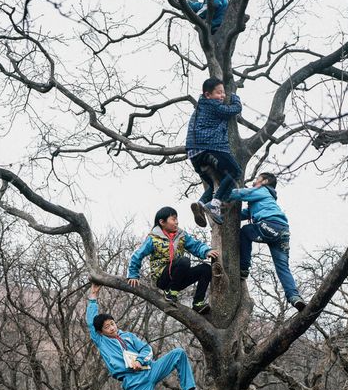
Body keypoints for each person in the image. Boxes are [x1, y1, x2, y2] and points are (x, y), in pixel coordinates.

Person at [229, 172, 307, 312]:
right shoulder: (265, 198)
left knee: (246, 231)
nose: (254, 182)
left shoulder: (261, 190)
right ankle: (294, 297)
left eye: (257, 179)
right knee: (282, 267)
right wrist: (224, 213)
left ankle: (244, 268)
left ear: (264, 181)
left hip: (271, 226)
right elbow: (241, 214)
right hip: (282, 231)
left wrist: (220, 194)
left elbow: (239, 193)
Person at [128, 206, 219, 314]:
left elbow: (196, 246)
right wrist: (133, 274)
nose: (177, 222)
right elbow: (138, 255)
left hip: (178, 277)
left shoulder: (181, 236)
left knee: (206, 269)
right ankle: (170, 293)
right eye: (173, 219)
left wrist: (206, 251)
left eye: (177, 219)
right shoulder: (153, 239)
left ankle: (197, 303)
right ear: (162, 222)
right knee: (184, 261)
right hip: (163, 278)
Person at [186, 78, 243, 226]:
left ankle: (200, 204)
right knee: (234, 172)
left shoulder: (200, 108)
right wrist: (235, 99)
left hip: (194, 153)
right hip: (209, 147)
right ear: (207, 94)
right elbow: (233, 110)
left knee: (213, 184)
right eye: (219, 93)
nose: (222, 96)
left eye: (223, 92)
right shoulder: (212, 105)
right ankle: (215, 204)